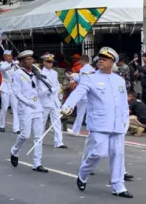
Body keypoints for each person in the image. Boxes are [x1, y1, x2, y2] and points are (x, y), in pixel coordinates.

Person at [61, 47, 132, 198]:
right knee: (99, 153)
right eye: (99, 58)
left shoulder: (119, 80)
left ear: (113, 62)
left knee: (117, 154)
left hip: (118, 123)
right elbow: (79, 92)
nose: (100, 60)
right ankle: (83, 173)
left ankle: (118, 186)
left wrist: (125, 119)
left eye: (105, 59)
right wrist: (68, 105)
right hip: (100, 123)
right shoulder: (90, 78)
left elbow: (123, 102)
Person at [10, 50, 49, 173]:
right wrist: (28, 103)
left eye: (31, 59)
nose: (30, 61)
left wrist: (49, 90)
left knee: (38, 136)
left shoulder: (36, 73)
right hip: (25, 108)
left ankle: (37, 163)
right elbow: (16, 92)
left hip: (37, 106)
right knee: (25, 135)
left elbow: (40, 89)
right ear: (21, 61)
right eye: (26, 59)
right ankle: (15, 151)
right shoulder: (17, 74)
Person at [39, 53, 67, 149]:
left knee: (57, 121)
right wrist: (52, 90)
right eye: (48, 61)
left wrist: (59, 92)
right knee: (42, 121)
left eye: (51, 62)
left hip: (54, 100)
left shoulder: (54, 73)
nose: (50, 63)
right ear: (43, 62)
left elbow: (57, 85)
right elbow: (41, 89)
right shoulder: (41, 74)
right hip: (45, 100)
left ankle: (58, 142)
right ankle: (39, 139)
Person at [69, 55, 95, 135]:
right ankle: (92, 131)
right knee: (90, 113)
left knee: (80, 113)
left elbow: (83, 82)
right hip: (90, 95)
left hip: (83, 95)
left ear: (82, 61)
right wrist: (75, 77)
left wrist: (73, 77)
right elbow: (82, 79)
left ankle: (76, 130)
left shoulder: (84, 70)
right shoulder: (92, 69)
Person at [0, 50, 20, 133]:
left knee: (15, 108)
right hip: (5, 87)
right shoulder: (2, 64)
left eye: (10, 55)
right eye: (8, 56)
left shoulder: (15, 64)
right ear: (4, 57)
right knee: (4, 107)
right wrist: (12, 64)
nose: (10, 57)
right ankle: (2, 125)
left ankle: (16, 128)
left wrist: (17, 65)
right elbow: (4, 69)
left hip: (13, 87)